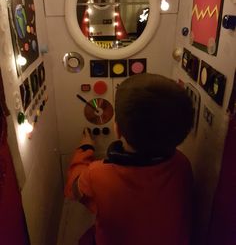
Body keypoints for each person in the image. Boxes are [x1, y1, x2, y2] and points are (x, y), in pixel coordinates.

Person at [64, 73, 194, 245]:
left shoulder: (97, 174)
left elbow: (73, 190)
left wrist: (85, 149)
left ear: (117, 129)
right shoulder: (182, 164)